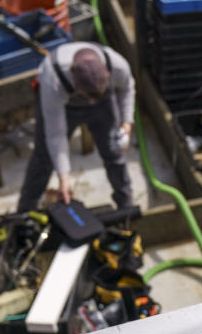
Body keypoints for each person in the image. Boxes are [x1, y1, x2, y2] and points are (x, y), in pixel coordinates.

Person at [17, 42, 135, 213]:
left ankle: (126, 206)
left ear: (108, 74)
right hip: (63, 107)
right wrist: (64, 178)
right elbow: (56, 135)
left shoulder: (117, 64)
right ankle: (25, 211)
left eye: (95, 96)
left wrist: (126, 123)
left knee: (114, 152)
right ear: (74, 79)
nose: (91, 101)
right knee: (44, 158)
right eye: (89, 96)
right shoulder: (53, 79)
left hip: (104, 104)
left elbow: (127, 88)